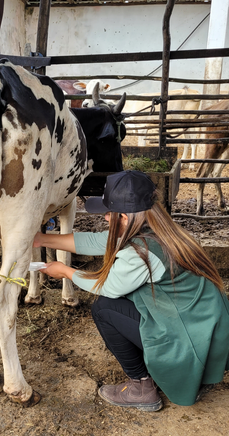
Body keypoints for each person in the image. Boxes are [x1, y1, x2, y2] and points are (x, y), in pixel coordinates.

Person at [33, 170, 229, 412]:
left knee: (104, 308)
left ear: (124, 217)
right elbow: (97, 241)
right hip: (207, 328)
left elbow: (106, 287)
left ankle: (142, 386)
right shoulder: (165, 231)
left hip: (191, 340)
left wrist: (64, 271)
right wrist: (41, 239)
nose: (106, 218)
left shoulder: (142, 252)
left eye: (109, 214)